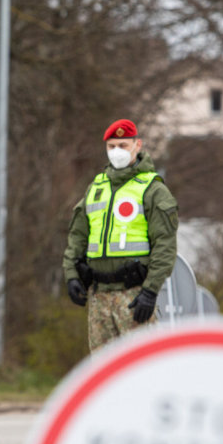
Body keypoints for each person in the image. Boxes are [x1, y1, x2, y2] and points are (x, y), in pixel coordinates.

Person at [62, 119, 178, 351]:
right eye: (111, 146)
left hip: (134, 295)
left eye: (123, 146)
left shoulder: (153, 190)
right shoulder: (97, 188)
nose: (117, 152)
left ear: (137, 145)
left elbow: (164, 245)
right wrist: (72, 275)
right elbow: (77, 236)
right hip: (99, 296)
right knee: (104, 372)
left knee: (142, 369)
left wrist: (150, 291)